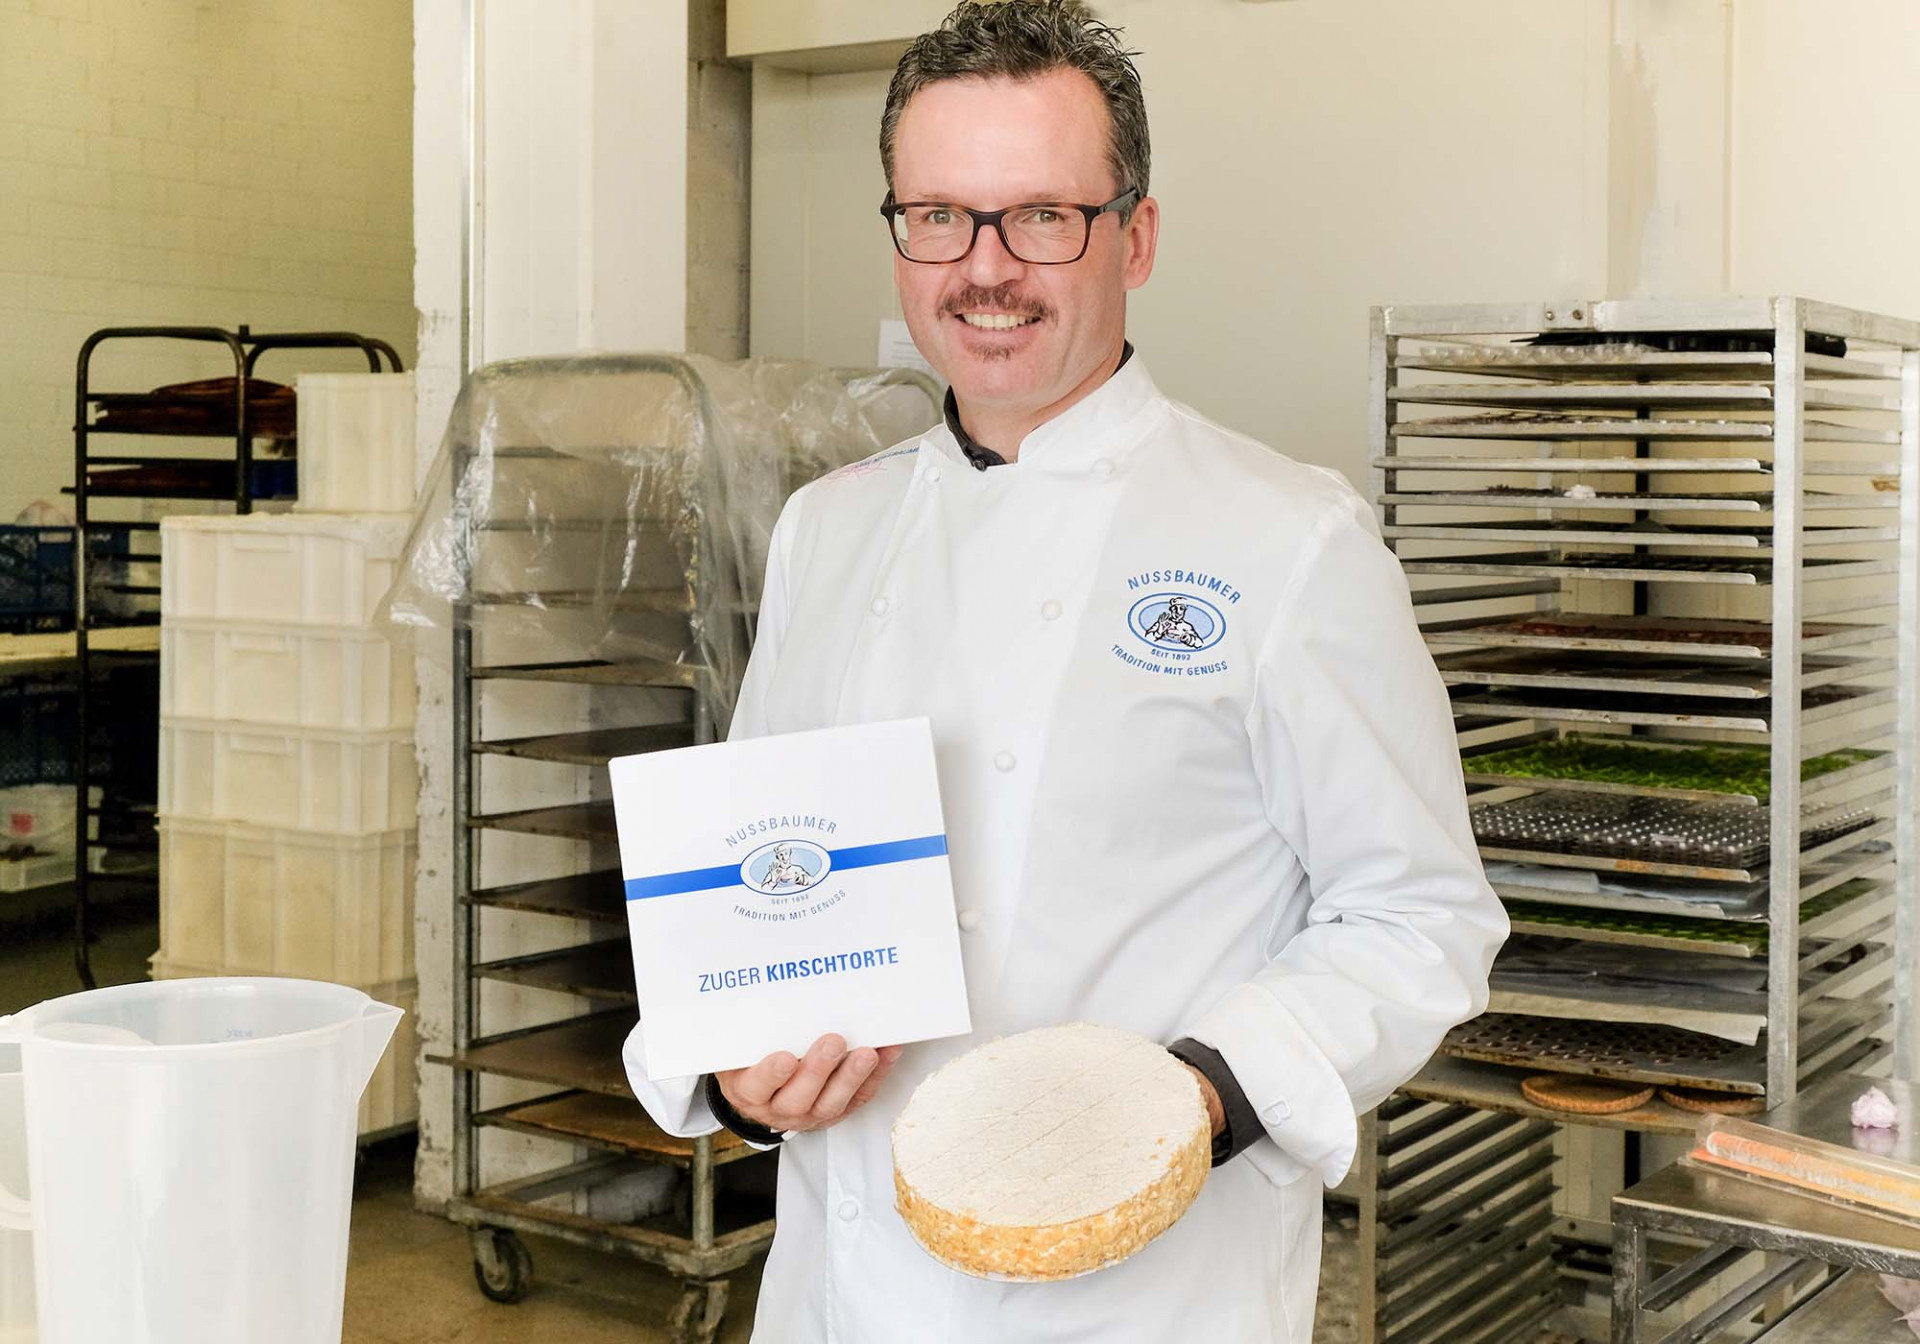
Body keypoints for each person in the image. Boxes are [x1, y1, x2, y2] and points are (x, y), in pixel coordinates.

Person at [624, 3, 1507, 1339]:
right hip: (842, 1288)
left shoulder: (1286, 539)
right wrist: (737, 1077)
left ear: (1135, 237)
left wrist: (1200, 1097)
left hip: (1136, 1299)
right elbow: (761, 884)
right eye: (940, 216)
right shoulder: (829, 527)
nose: (986, 269)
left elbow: (1419, 914)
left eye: (1042, 216)